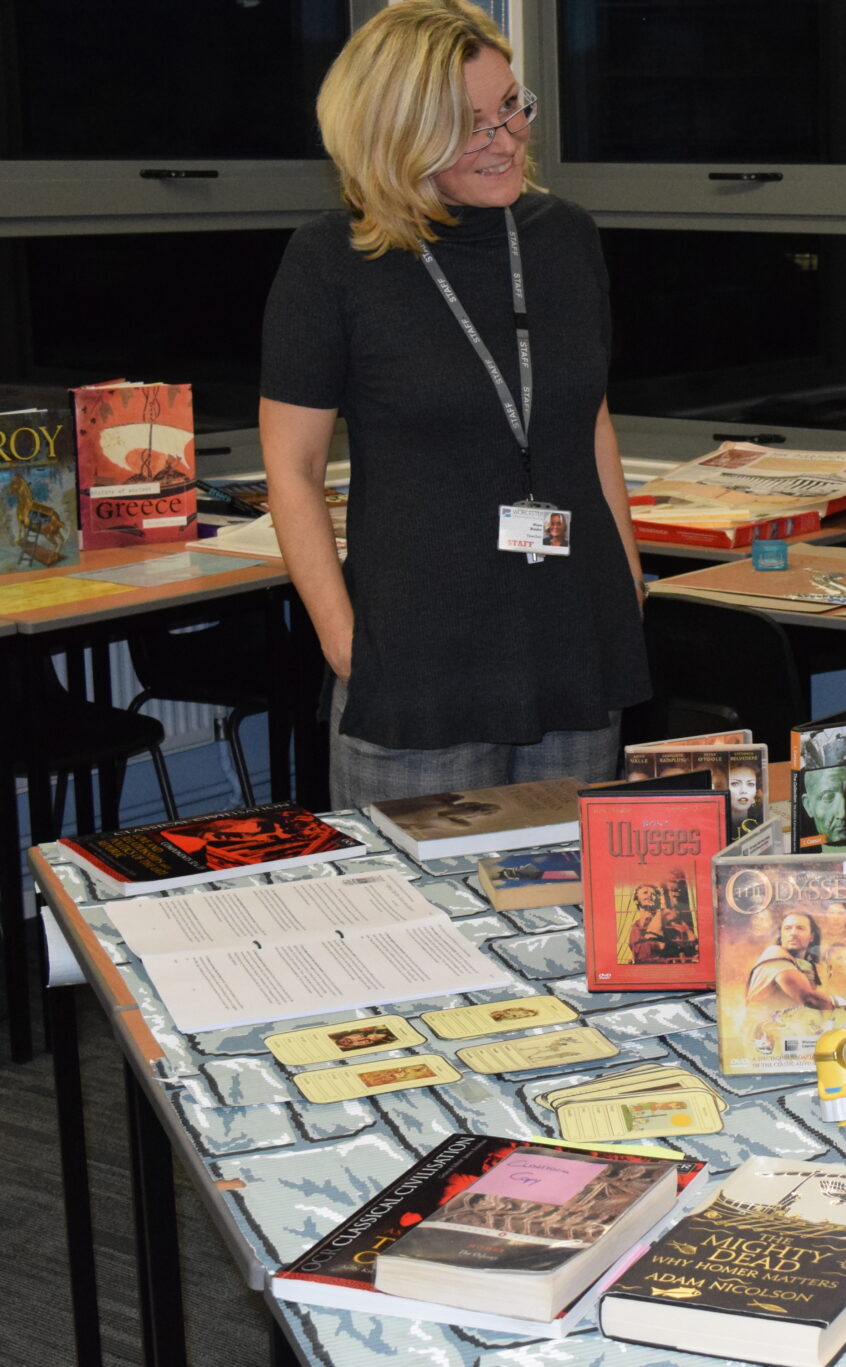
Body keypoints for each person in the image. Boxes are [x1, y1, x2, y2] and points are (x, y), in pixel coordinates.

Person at [260, 0, 649, 808]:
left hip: (574, 636)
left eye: (510, 107)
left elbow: (590, 419)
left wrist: (629, 579)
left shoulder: (566, 237)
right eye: (470, 125)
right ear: (397, 132)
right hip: (420, 663)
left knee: (564, 910)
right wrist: (342, 640)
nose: (505, 139)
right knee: (420, 915)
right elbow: (291, 469)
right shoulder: (331, 261)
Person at [746, 911, 846, 1013]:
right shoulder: (774, 954)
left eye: (800, 928)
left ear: (811, 936)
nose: (793, 933)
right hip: (764, 1028)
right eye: (787, 928)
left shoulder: (809, 966)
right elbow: (809, 998)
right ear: (781, 935)